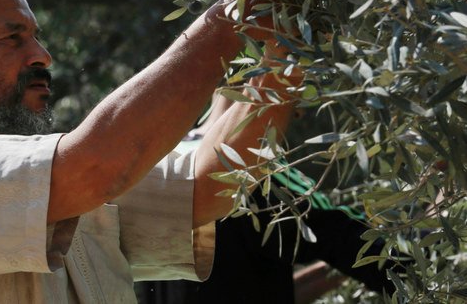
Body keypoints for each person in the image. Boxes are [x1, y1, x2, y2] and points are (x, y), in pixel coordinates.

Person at [0, 0, 302, 303]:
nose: (43, 56)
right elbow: (98, 167)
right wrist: (226, 25)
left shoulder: (51, 181)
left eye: (36, 37)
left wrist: (284, 50)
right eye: (13, 39)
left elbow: (208, 188)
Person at [136, 94, 401, 304]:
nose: (298, 113)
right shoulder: (252, 175)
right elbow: (362, 249)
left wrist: (330, 273)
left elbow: (239, 284)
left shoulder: (159, 168)